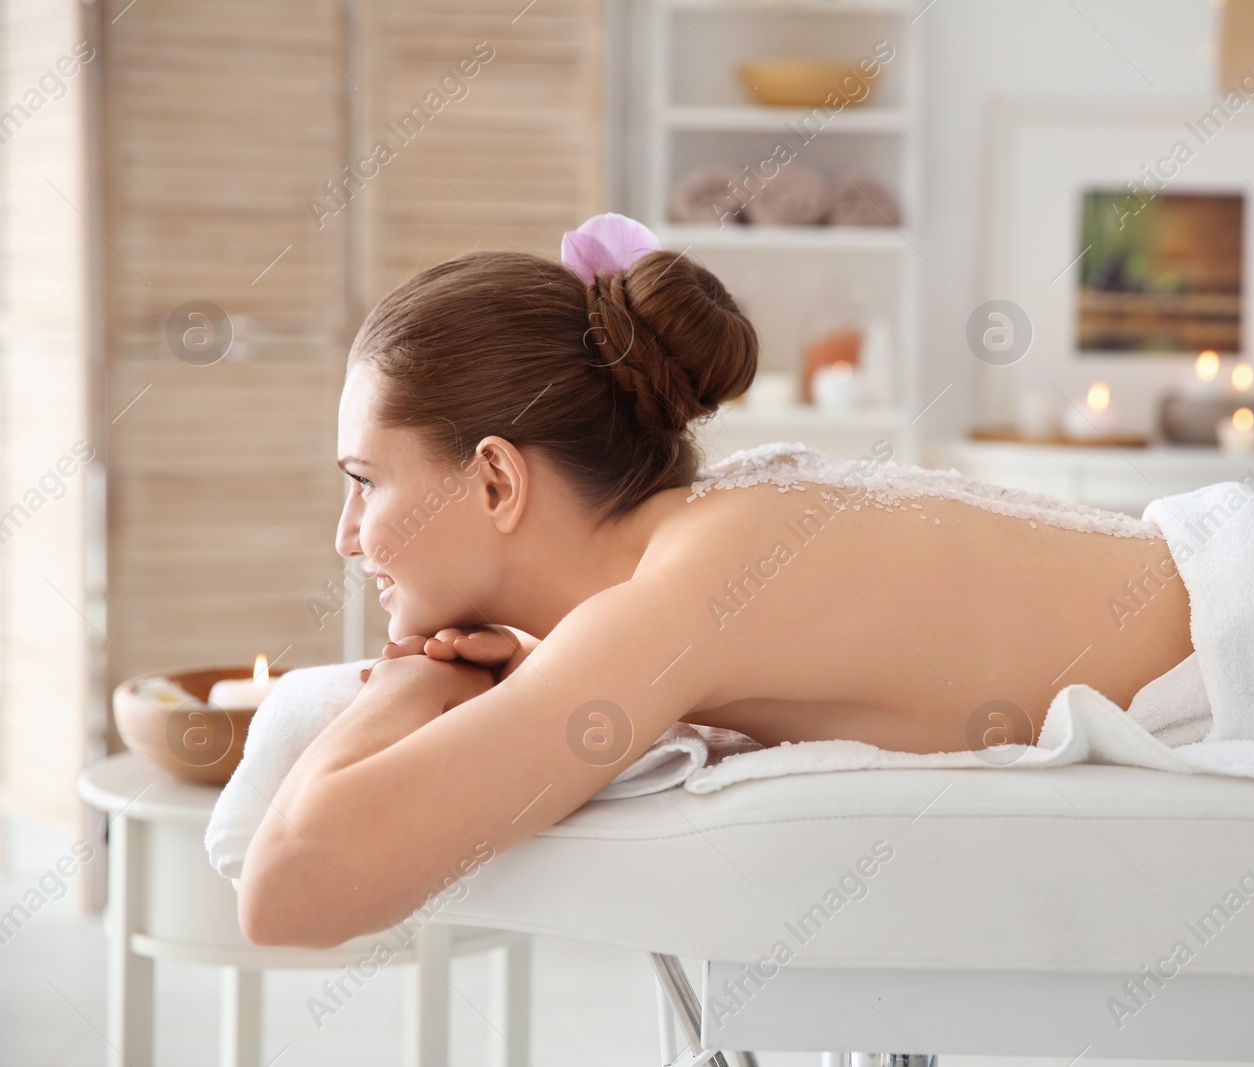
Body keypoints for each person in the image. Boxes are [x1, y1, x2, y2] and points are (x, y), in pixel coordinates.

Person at [237, 215, 1195, 949]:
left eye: (365, 482)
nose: (347, 537)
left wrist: (410, 685)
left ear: (496, 479)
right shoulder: (709, 542)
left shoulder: (688, 591)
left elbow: (288, 889)